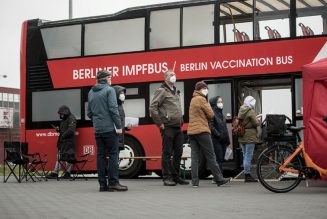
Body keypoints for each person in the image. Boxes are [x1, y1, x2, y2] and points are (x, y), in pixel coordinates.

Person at [87, 70, 128, 192]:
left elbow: (89, 113)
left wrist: (98, 118)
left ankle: (102, 184)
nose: (111, 79)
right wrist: (119, 126)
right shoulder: (109, 90)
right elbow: (113, 109)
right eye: (110, 77)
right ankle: (114, 182)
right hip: (109, 129)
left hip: (97, 129)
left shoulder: (91, 92)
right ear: (105, 78)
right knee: (113, 154)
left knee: (100, 156)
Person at [149, 70, 189, 186]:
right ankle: (166, 177)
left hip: (177, 126)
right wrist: (160, 124)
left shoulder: (175, 91)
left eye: (174, 74)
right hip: (167, 127)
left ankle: (176, 176)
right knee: (167, 153)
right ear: (165, 78)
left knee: (179, 152)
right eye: (171, 75)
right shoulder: (161, 90)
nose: (174, 76)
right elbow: (152, 108)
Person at [187, 81, 230, 187]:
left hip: (192, 132)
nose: (206, 90)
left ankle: (195, 182)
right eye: (205, 88)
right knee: (211, 156)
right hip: (202, 131)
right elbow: (211, 114)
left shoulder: (193, 100)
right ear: (200, 90)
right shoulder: (201, 99)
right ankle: (219, 179)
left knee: (195, 157)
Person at [47, 105, 76, 179]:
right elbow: (64, 130)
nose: (61, 115)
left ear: (65, 113)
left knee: (64, 157)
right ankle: (66, 173)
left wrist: (63, 135)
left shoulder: (71, 118)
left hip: (67, 142)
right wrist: (58, 129)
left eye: (61, 114)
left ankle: (56, 172)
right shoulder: (64, 119)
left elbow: (71, 130)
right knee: (62, 157)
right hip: (63, 141)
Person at [238, 95, 260, 182]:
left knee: (245, 155)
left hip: (242, 135)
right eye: (252, 101)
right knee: (248, 156)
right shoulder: (250, 111)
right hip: (250, 136)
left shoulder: (241, 109)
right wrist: (258, 120)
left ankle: (246, 173)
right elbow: (255, 123)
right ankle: (247, 175)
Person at [209, 96, 230, 175]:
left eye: (221, 101)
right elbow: (211, 126)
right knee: (219, 158)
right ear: (214, 103)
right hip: (216, 140)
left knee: (221, 159)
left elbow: (224, 128)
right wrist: (218, 135)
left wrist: (227, 140)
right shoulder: (212, 113)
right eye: (219, 102)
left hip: (223, 140)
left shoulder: (221, 113)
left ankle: (219, 176)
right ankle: (217, 177)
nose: (221, 103)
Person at [112, 85, 131, 150]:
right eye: (121, 93)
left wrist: (126, 127)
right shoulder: (114, 106)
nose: (123, 95)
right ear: (116, 94)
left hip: (119, 138)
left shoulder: (120, 105)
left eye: (123, 93)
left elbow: (121, 121)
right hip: (116, 138)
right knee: (114, 157)